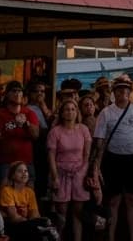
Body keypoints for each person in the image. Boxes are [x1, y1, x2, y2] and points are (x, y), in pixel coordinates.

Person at [87, 74, 133, 241]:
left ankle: (132, 237)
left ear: (130, 92)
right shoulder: (105, 113)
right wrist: (96, 166)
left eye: (125, 89)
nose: (122, 92)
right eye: (119, 90)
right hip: (113, 160)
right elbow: (100, 142)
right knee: (113, 201)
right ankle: (111, 237)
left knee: (132, 200)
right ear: (114, 93)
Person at [47, 98, 91, 241]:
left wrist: (82, 172)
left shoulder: (84, 129)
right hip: (61, 172)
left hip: (80, 172)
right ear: (62, 112)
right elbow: (51, 156)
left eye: (73, 109)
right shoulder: (55, 132)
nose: (70, 112)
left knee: (78, 213)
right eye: (67, 109)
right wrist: (55, 177)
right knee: (62, 214)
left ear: (77, 111)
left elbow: (87, 154)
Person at [0, 161, 58, 241]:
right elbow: (14, 217)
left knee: (42, 224)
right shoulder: (6, 191)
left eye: (26, 171)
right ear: (12, 175)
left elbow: (35, 214)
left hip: (27, 223)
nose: (24, 173)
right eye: (19, 171)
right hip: (11, 225)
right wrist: (32, 223)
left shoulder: (30, 192)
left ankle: (43, 229)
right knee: (41, 226)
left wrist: (32, 222)